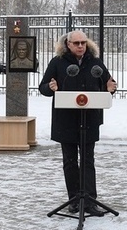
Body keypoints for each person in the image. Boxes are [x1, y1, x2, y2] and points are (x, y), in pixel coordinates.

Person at [39, 30, 117, 217]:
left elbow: (106, 84)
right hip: (66, 120)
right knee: (70, 161)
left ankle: (90, 201)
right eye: (76, 43)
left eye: (83, 42)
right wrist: (51, 88)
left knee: (88, 160)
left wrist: (111, 88)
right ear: (68, 44)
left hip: (89, 119)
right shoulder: (57, 62)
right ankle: (74, 200)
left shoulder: (95, 62)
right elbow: (42, 87)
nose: (81, 46)